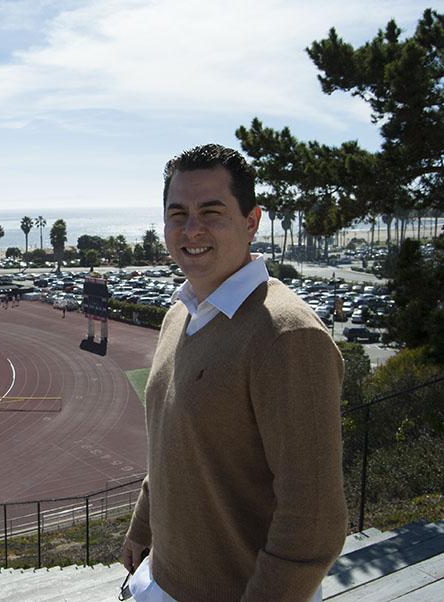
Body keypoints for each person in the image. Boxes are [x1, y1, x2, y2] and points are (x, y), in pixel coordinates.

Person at [120, 144, 346, 602]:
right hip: (161, 579)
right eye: (178, 213)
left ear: (251, 221)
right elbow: (170, 443)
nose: (192, 228)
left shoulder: (286, 335)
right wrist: (141, 529)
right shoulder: (179, 315)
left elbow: (315, 520)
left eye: (212, 211)